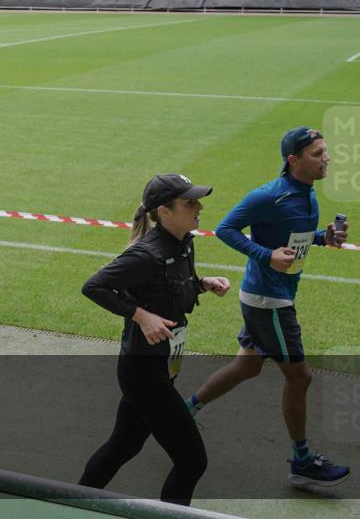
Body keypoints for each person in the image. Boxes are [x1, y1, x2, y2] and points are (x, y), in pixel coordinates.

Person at [185, 127, 351, 488]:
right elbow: (225, 229)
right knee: (300, 377)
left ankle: (184, 412)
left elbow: (292, 239)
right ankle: (302, 461)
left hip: (273, 294)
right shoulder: (269, 195)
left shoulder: (306, 192)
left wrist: (323, 238)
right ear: (293, 160)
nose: (326, 158)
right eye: (317, 153)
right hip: (269, 300)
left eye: (325, 151)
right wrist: (266, 255)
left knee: (246, 366)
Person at [78, 174, 230, 506]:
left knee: (124, 446)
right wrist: (140, 315)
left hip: (162, 364)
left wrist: (202, 284)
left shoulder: (184, 242)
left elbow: (171, 286)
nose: (199, 207)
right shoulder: (145, 254)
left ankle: (72, 503)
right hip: (143, 372)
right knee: (192, 461)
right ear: (164, 211)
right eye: (190, 202)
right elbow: (93, 286)